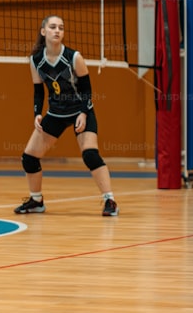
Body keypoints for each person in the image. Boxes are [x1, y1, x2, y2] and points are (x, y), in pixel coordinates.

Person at [15, 15, 118, 217]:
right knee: (29, 157)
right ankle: (36, 200)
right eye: (52, 27)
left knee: (90, 154)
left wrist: (83, 113)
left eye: (61, 28)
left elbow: (87, 89)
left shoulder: (73, 57)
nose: (57, 31)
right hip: (56, 112)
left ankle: (110, 200)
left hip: (81, 109)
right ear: (43, 31)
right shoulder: (36, 60)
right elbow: (38, 91)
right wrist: (37, 113)